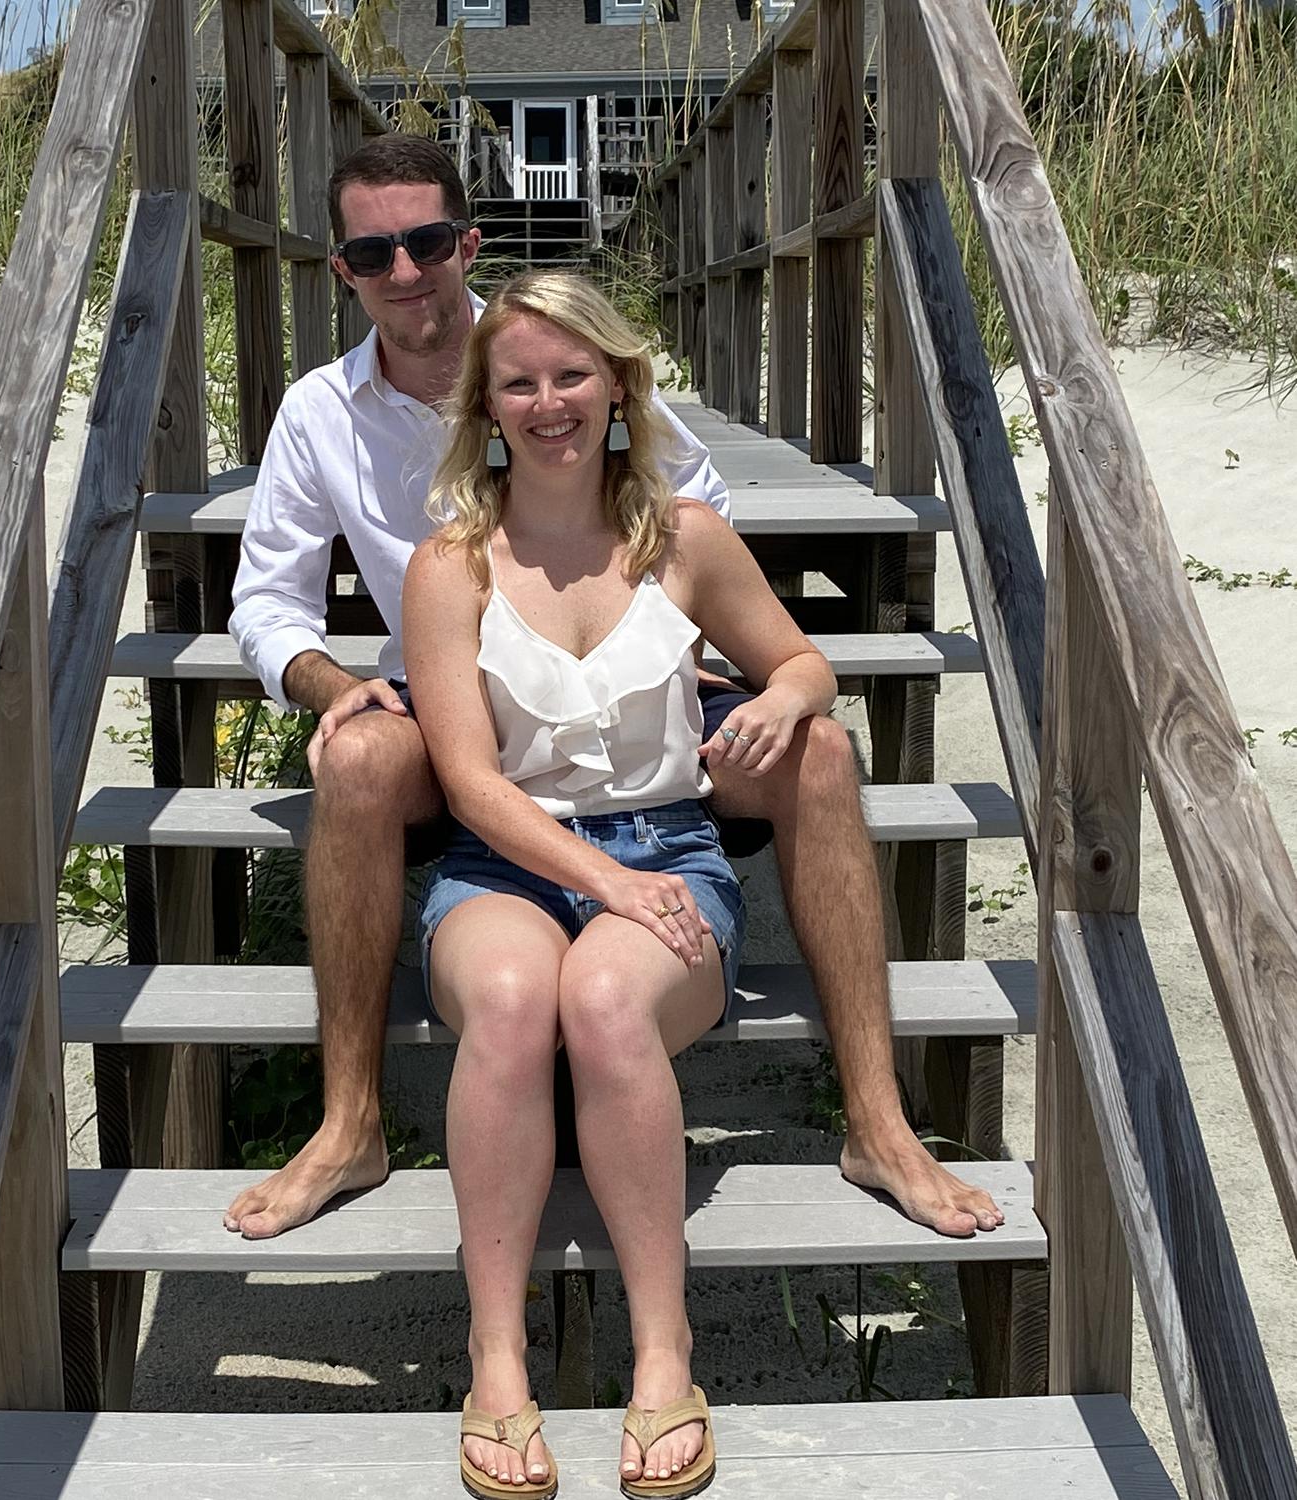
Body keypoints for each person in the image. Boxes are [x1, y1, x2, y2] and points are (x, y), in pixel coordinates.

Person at [223, 133, 1004, 1249]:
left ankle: (878, 1121)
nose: (405, 270)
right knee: (353, 756)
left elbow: (696, 502)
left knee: (822, 753)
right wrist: (331, 681)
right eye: (373, 251)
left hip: (621, 668)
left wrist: (664, 635)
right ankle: (349, 1120)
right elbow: (267, 602)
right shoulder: (319, 412)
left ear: (467, 244)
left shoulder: (548, 343)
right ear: (341, 269)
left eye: (427, 242)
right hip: (452, 691)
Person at [401, 269, 849, 1498]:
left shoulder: (684, 537)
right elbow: (468, 782)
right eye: (519, 383)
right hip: (504, 859)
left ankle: (664, 1354)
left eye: (572, 375)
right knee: (509, 1000)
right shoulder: (451, 565)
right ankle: (497, 1355)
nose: (549, 403)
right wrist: (599, 879)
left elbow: (805, 662)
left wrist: (782, 703)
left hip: (669, 849)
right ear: (486, 406)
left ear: (617, 384)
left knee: (603, 1002)